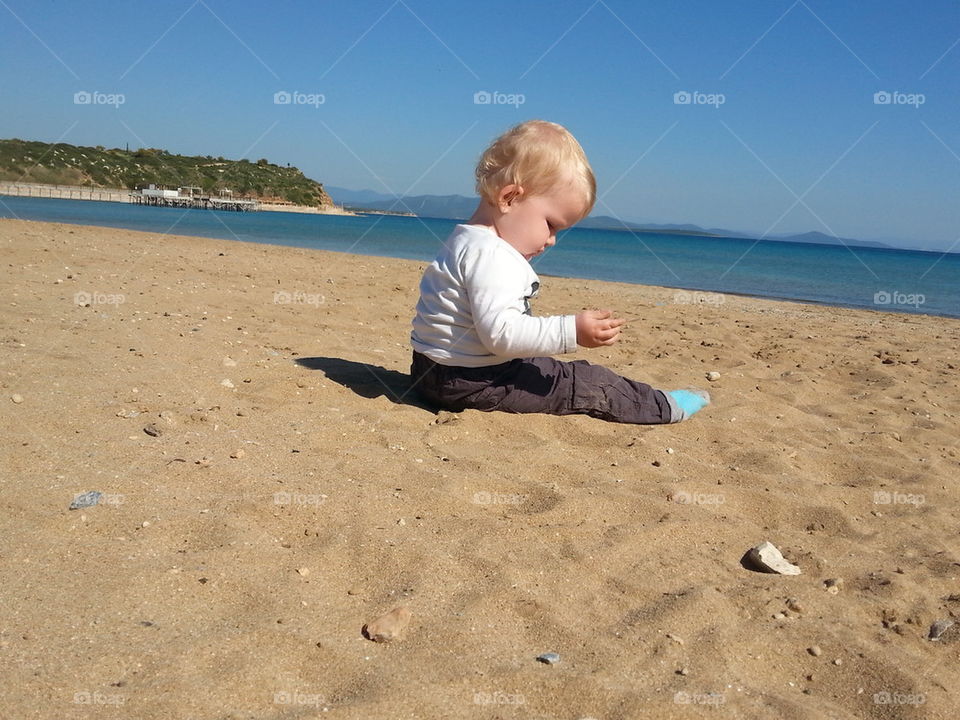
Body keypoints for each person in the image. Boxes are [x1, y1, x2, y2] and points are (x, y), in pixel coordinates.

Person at [408, 120, 709, 424]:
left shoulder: (465, 239)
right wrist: (572, 330)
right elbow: (501, 335)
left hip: (427, 372)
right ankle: (664, 406)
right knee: (578, 380)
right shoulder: (495, 255)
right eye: (551, 224)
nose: (551, 240)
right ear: (510, 198)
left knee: (539, 365)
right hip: (471, 383)